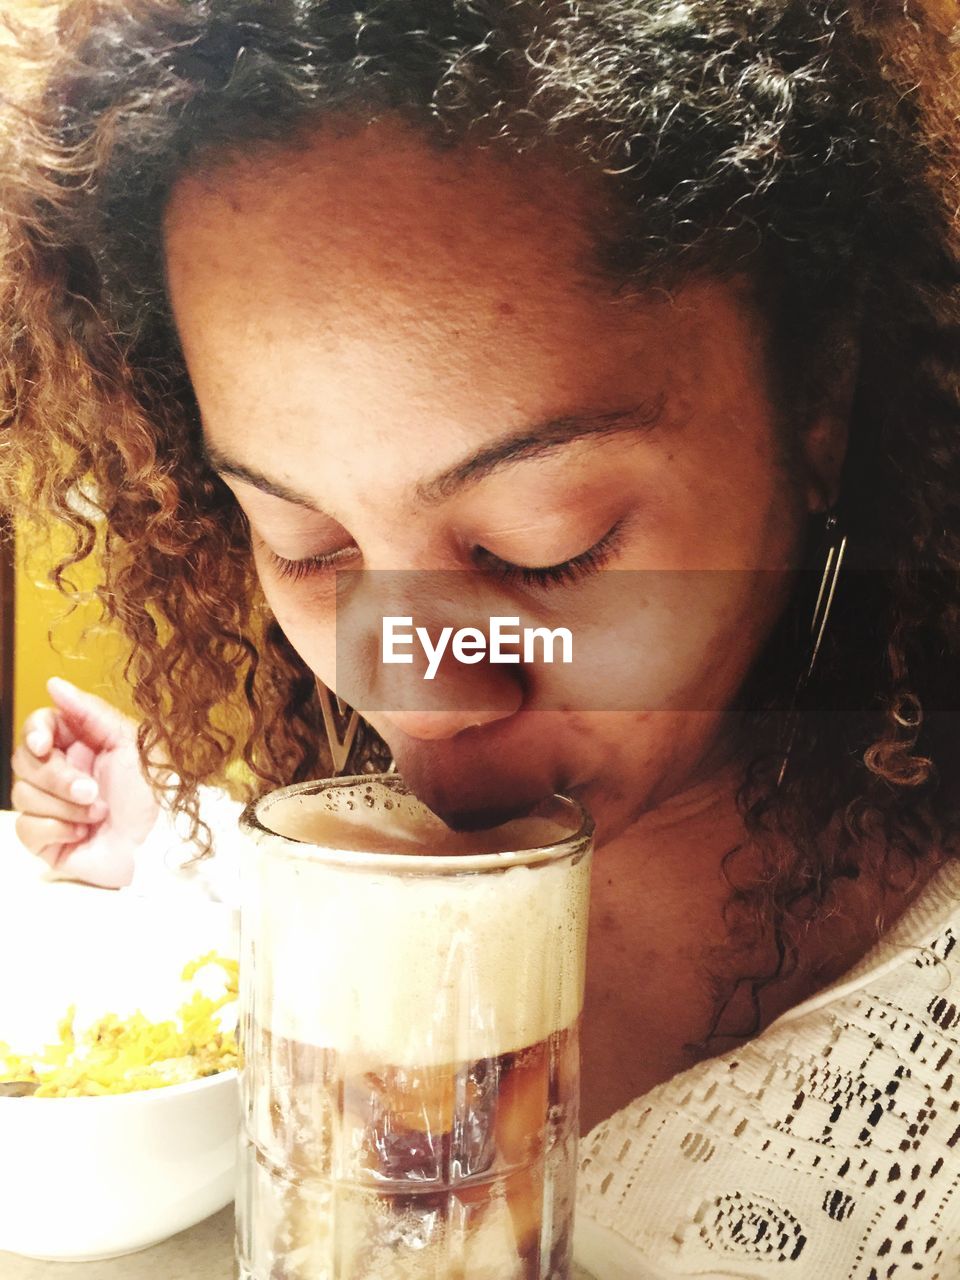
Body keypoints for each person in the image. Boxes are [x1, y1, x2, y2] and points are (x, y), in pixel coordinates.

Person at [3, 1, 960, 1275]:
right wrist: (163, 844)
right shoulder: (343, 876)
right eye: (309, 542)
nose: (416, 694)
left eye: (538, 544)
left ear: (821, 393)